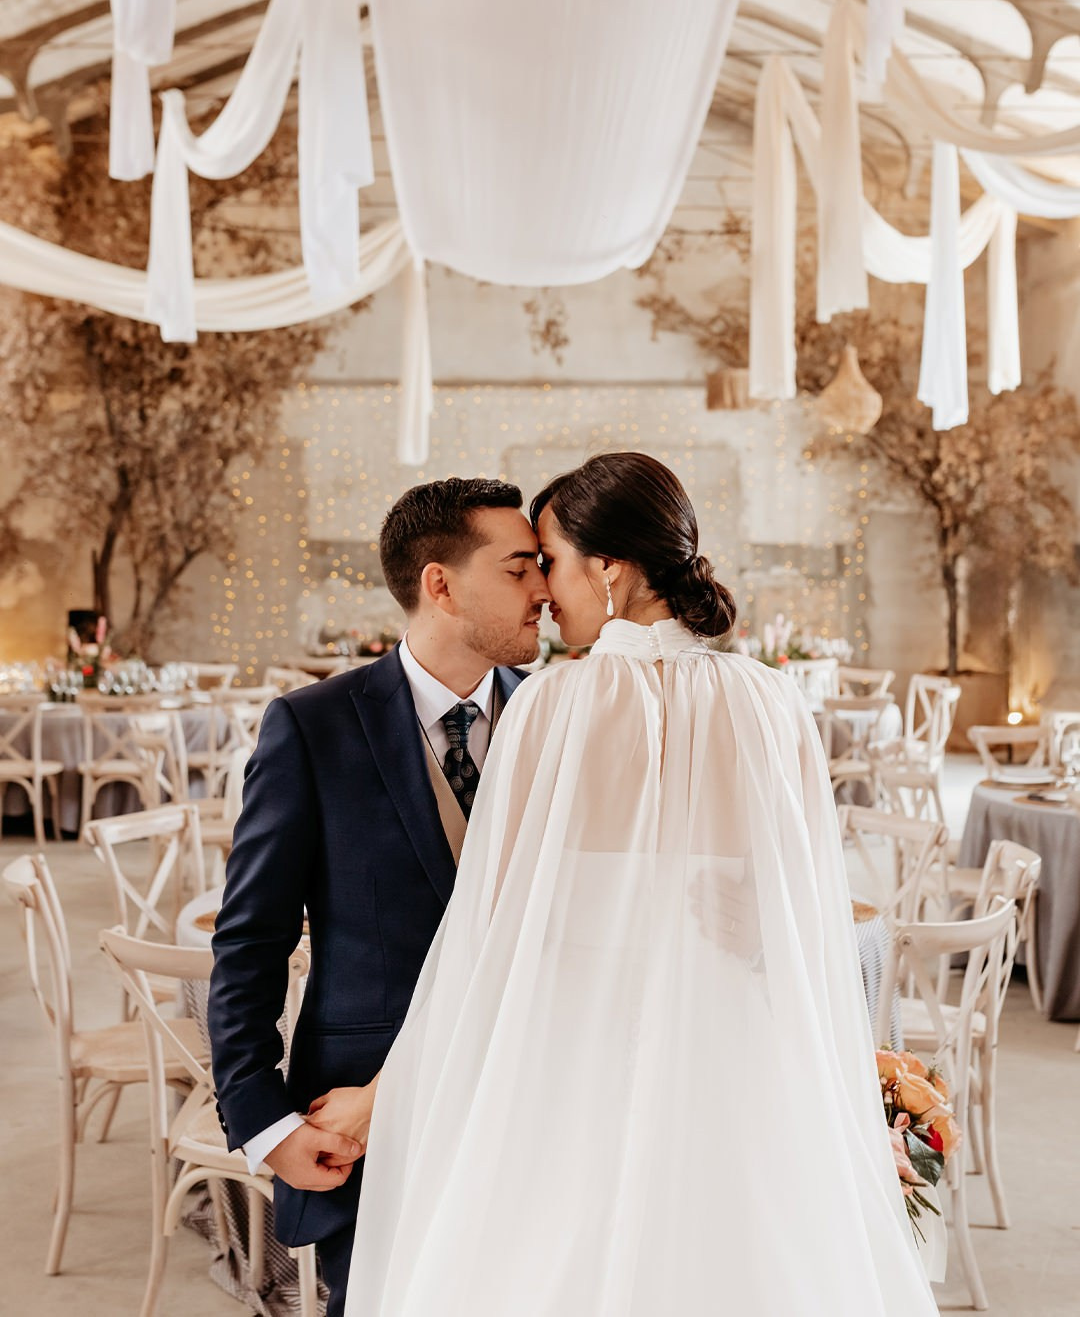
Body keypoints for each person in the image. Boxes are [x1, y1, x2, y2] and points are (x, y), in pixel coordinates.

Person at [342, 451, 938, 1316]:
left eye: (551, 560)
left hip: (571, 1057)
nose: (544, 590)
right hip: (736, 1059)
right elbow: (802, 924)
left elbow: (489, 938)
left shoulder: (551, 707)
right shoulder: (773, 706)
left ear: (609, 570)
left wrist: (397, 1095)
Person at [207, 477, 549, 1317]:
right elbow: (249, 942)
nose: (542, 588)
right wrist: (268, 1123)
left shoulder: (558, 721)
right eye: (518, 569)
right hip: (365, 1128)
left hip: (540, 1103)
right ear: (440, 583)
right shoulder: (312, 726)